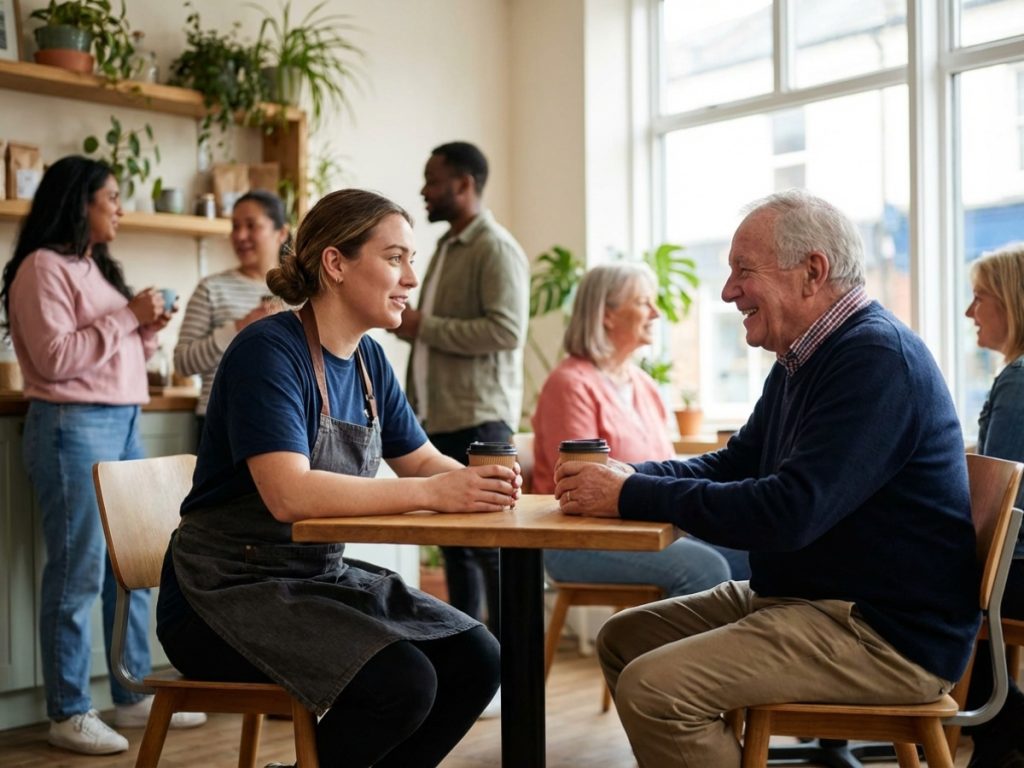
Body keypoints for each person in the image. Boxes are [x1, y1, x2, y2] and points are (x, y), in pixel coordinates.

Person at [554, 189, 979, 767]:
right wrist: (630, 475)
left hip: (882, 634)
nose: (728, 291)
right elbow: (736, 463)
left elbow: (790, 512)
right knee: (625, 640)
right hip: (812, 599)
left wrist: (630, 492)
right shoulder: (804, 358)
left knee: (656, 690)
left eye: (742, 271)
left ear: (813, 271)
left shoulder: (874, 359)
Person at [156, 188, 515, 768]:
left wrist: (489, 489)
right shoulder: (267, 352)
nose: (411, 279)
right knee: (403, 683)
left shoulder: (371, 362)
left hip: (314, 576)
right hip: (220, 591)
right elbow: (288, 494)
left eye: (410, 260)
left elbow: (422, 460)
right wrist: (431, 493)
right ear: (336, 263)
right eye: (395, 258)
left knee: (478, 657)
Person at [0, 156, 205, 756]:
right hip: (72, 424)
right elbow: (59, 359)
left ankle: (132, 692)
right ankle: (67, 711)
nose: (118, 206)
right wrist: (128, 316)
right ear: (77, 203)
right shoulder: (42, 268)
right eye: (109, 197)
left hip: (121, 422)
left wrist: (146, 326)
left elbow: (118, 353)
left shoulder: (93, 269)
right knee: (77, 571)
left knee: (135, 565)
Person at [532, 262, 747, 593]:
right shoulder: (570, 384)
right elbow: (580, 488)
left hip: (649, 525)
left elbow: (669, 467)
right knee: (704, 568)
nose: (656, 313)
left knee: (754, 553)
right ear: (607, 314)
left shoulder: (643, 384)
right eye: (643, 302)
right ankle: (673, 648)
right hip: (575, 539)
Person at [392, 141, 529, 647]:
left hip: (480, 419)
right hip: (440, 416)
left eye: (433, 181)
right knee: (455, 546)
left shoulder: (494, 248)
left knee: (489, 547)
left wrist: (424, 326)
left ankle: (507, 666)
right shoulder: (449, 246)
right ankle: (472, 654)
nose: (425, 192)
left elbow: (506, 331)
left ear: (464, 185)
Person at [962, 242, 1024, 768]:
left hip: (1021, 567)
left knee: (926, 593)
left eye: (979, 297)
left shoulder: (1019, 381)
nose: (969, 312)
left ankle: (1001, 726)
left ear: (1013, 302)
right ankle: (997, 743)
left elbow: (999, 498)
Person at [173, 189, 291, 442]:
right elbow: (183, 363)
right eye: (235, 226)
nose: (240, 235)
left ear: (282, 232)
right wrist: (240, 327)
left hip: (287, 421)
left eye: (251, 225)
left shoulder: (300, 294)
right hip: (221, 422)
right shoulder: (211, 288)